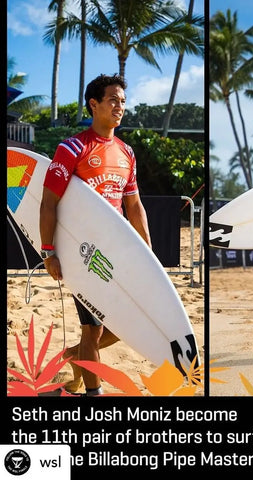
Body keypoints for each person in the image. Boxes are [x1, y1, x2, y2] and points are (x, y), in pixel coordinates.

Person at [39, 74, 152, 395]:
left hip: (119, 250)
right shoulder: (72, 148)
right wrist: (49, 252)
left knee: (131, 322)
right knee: (93, 329)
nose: (120, 107)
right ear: (94, 104)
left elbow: (135, 206)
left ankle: (74, 357)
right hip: (84, 254)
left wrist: (148, 252)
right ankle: (93, 393)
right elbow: (48, 203)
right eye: (113, 100)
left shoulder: (127, 153)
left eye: (123, 101)